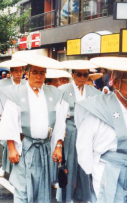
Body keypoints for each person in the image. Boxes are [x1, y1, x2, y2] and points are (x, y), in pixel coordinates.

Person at [0, 52, 68, 203]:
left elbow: (60, 123)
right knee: (22, 188)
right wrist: (11, 148)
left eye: (42, 73)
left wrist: (58, 146)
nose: (38, 76)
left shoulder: (53, 94)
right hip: (24, 147)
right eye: (35, 72)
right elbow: (9, 122)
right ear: (27, 74)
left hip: (44, 148)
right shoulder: (16, 93)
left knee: (42, 187)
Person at [75, 57, 127, 202]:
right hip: (107, 170)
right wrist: (94, 172)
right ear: (115, 83)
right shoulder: (98, 108)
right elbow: (84, 145)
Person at [57, 60, 101, 202]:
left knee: (86, 165)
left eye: (85, 75)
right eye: (79, 74)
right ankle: (67, 197)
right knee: (70, 165)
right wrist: (60, 139)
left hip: (87, 132)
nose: (82, 78)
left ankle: (85, 197)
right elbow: (59, 115)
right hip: (70, 130)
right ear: (73, 75)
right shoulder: (63, 90)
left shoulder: (93, 92)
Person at [0, 60, 26, 178]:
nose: (19, 73)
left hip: (22, 115)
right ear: (11, 72)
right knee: (7, 142)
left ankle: (19, 167)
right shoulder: (2, 84)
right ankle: (4, 166)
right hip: (7, 114)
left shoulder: (26, 83)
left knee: (20, 142)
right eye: (16, 71)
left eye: (21, 71)